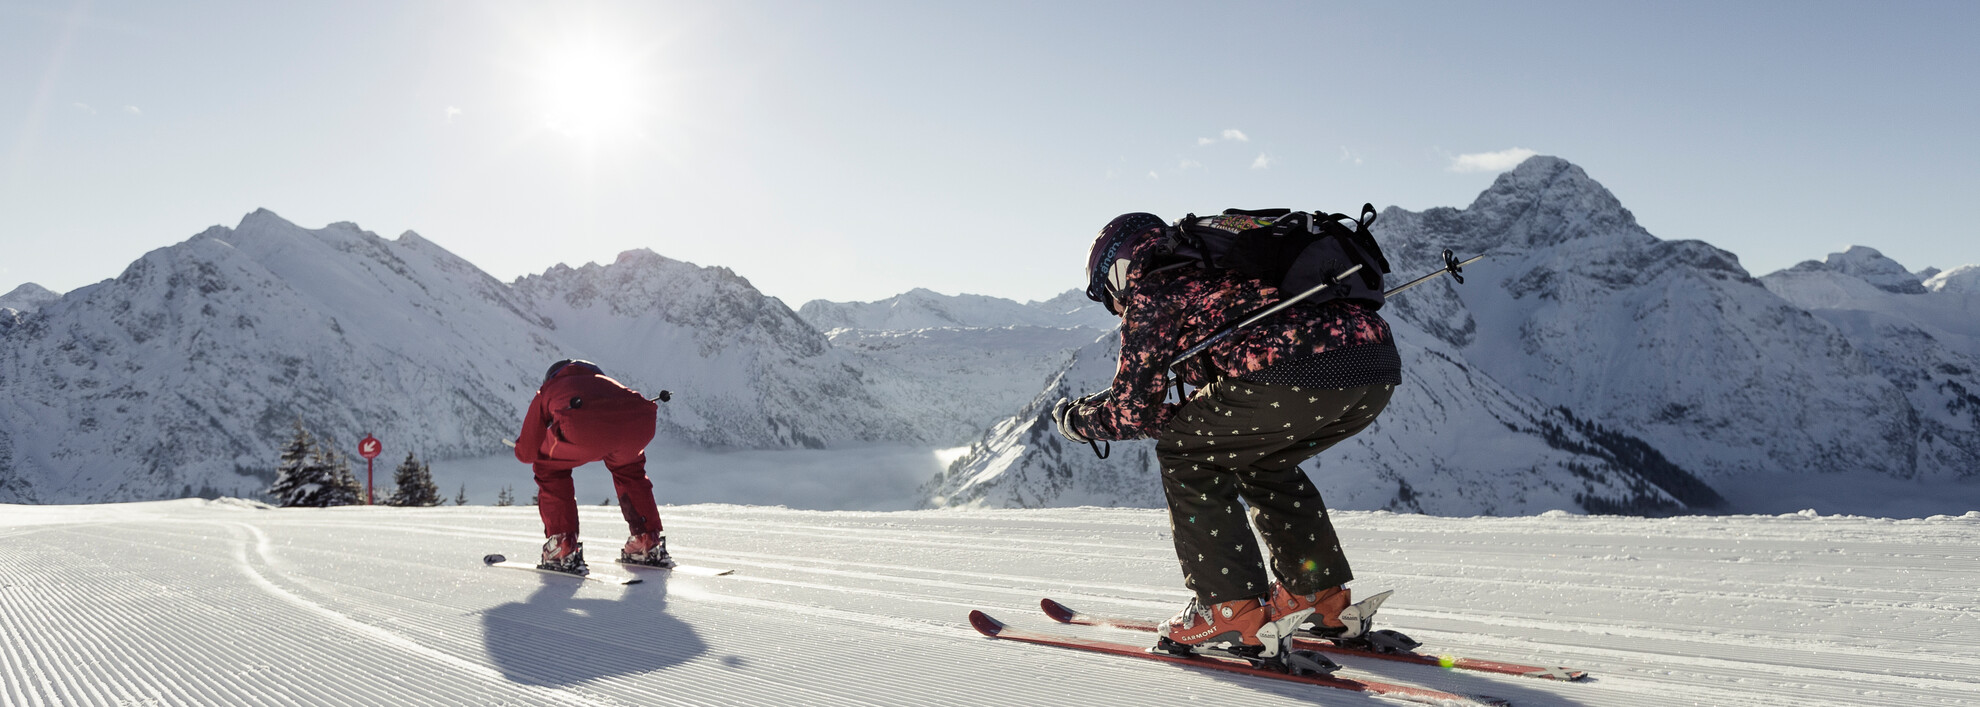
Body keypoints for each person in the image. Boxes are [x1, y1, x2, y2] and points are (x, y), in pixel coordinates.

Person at [1052, 212, 1402, 664]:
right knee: (1260, 459)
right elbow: (1210, 412)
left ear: (1118, 270)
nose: (1116, 307)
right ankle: (1316, 596)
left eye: (1109, 296)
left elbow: (1132, 411)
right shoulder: (1225, 268)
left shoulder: (1156, 288)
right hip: (1373, 372)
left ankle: (1230, 611)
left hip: (1289, 375)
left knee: (1185, 456)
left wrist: (1080, 422)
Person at [514, 359, 674, 574]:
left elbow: (527, 454)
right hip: (640, 424)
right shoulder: (609, 383)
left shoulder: (549, 389)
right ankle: (646, 541)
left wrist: (522, 446)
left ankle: (563, 544)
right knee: (630, 471)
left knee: (549, 467)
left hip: (581, 428)